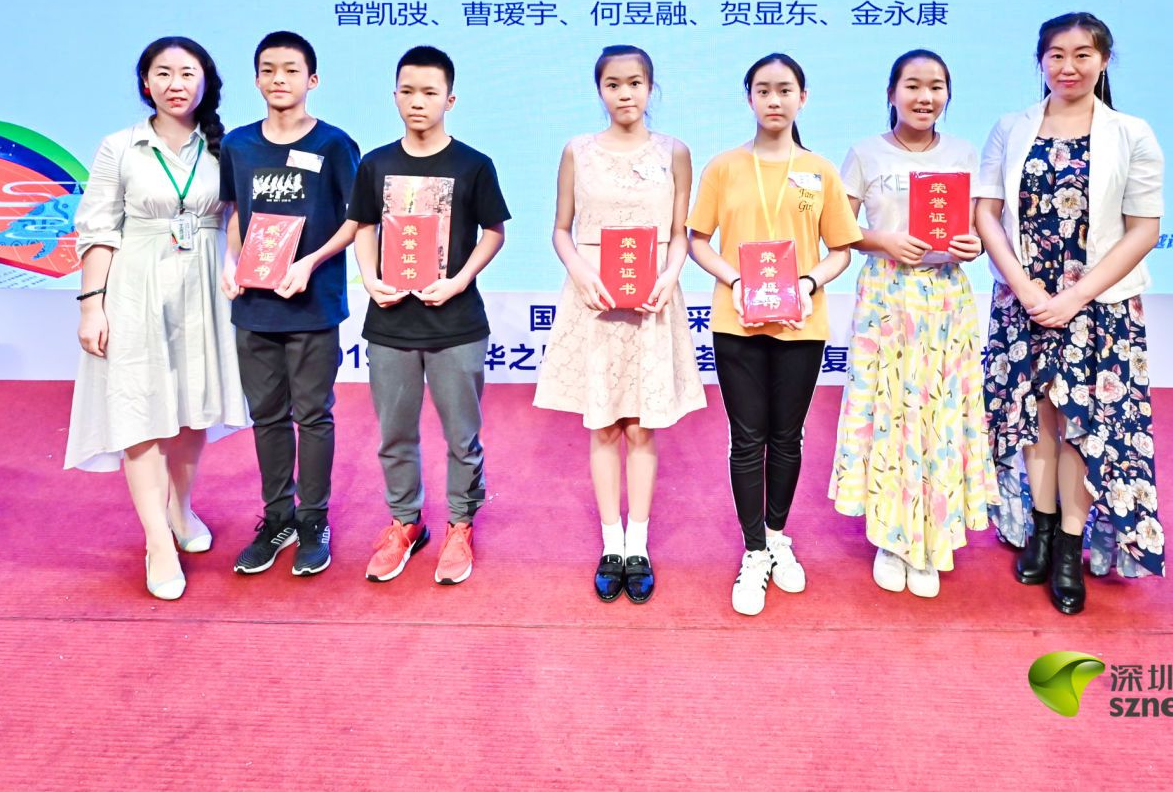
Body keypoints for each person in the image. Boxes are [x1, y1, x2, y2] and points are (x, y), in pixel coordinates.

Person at [974, 12, 1166, 616]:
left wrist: (1074, 297)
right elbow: (986, 214)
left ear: (1104, 61)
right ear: (1040, 61)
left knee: (1083, 426)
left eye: (1083, 54)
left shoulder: (1131, 133)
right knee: (1035, 419)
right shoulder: (1011, 128)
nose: (1069, 66)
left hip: (1099, 306)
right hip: (1023, 299)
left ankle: (1069, 549)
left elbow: (1144, 229)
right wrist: (1025, 287)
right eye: (1056, 54)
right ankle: (1039, 530)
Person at [65, 36, 250, 601]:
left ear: (205, 82)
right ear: (145, 83)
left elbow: (239, 220)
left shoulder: (225, 148)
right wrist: (92, 305)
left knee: (193, 411)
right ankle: (157, 541)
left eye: (187, 73)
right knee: (139, 414)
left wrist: (238, 270)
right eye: (163, 73)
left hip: (204, 293)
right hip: (136, 290)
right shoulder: (120, 147)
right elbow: (97, 229)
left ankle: (181, 509)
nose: (175, 84)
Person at [688, 53, 862, 616]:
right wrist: (736, 280)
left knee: (787, 436)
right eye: (763, 90)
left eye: (785, 90)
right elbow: (697, 241)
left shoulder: (820, 171)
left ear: (802, 98)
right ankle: (754, 549)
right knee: (746, 438)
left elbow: (841, 250)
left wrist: (809, 281)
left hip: (801, 324)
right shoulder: (723, 167)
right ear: (749, 98)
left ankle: (778, 535)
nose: (774, 100)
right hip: (736, 321)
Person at [534, 45, 702, 604]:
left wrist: (670, 276)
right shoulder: (577, 151)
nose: (625, 93)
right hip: (595, 301)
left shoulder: (675, 152)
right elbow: (561, 229)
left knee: (642, 427)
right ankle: (611, 544)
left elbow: (679, 233)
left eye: (634, 82)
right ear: (599, 89)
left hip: (652, 300)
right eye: (613, 83)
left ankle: (639, 545)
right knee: (604, 425)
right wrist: (580, 271)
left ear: (651, 88)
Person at [828, 49, 993, 598]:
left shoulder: (964, 153)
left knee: (939, 415)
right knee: (890, 413)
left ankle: (933, 540)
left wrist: (971, 245)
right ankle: (891, 539)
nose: (925, 97)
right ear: (892, 93)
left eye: (936, 86)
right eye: (913, 85)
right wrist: (884, 240)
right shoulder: (865, 153)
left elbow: (976, 229)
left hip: (946, 298)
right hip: (886, 297)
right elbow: (840, 229)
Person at [348, 46, 510, 586]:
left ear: (450, 100)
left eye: (429, 92)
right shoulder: (375, 164)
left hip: (456, 324)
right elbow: (364, 226)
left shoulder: (473, 164)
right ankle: (405, 523)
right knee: (394, 435)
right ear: (394, 95)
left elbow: (494, 232)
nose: (417, 101)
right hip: (390, 322)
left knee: (462, 436)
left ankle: (460, 525)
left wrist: (459, 280)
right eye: (408, 91)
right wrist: (370, 278)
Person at [217, 31, 361, 579]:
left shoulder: (334, 144)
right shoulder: (238, 145)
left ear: (312, 80)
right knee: (267, 417)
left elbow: (357, 218)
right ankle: (277, 518)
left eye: (291, 70)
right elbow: (236, 212)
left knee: (314, 415)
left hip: (312, 303)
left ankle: (314, 520)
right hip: (254, 305)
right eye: (269, 69)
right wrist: (230, 264)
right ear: (256, 80)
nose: (279, 79)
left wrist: (310, 263)